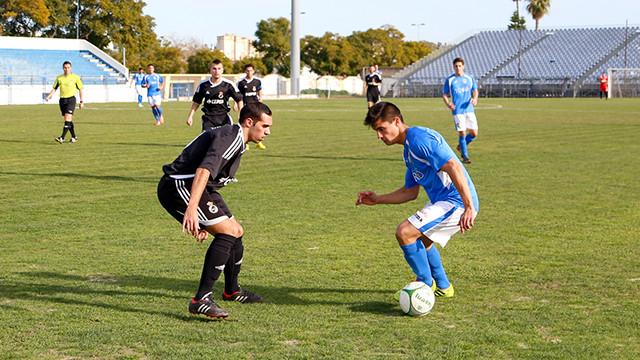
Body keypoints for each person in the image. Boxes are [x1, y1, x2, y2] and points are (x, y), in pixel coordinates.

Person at [157, 102, 273, 319]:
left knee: (236, 231)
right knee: (227, 232)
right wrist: (192, 210)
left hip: (200, 188)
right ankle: (201, 299)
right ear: (249, 122)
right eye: (264, 126)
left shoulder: (238, 139)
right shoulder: (231, 138)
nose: (268, 132)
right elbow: (203, 170)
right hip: (180, 185)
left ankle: (232, 290)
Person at [356, 102, 479, 299]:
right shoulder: (408, 150)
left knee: (405, 232)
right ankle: (443, 286)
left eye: (381, 129)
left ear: (396, 121)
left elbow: (454, 166)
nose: (379, 136)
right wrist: (377, 199)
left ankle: (423, 284)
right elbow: (409, 192)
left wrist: (468, 207)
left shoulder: (419, 139)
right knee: (421, 237)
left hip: (455, 201)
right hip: (445, 201)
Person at [186, 59, 243, 131]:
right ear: (210, 70)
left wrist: (241, 115)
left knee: (226, 141)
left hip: (224, 119)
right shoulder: (203, 85)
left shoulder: (228, 84)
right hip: (208, 119)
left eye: (219, 69)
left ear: (222, 70)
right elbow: (196, 102)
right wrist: (190, 116)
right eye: (214, 69)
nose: (217, 71)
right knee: (208, 140)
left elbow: (239, 99)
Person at [442, 57, 479, 164]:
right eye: (456, 66)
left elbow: (475, 90)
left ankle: (460, 147)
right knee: (462, 133)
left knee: (474, 133)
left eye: (459, 66)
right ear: (453, 67)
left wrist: (475, 98)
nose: (458, 68)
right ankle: (465, 156)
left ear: (463, 66)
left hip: (469, 109)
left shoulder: (469, 78)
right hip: (457, 111)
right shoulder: (450, 80)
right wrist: (448, 103)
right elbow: (444, 94)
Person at [46, 61, 84, 144]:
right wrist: (49, 95)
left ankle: (62, 137)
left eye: (68, 68)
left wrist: (81, 101)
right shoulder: (59, 78)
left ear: (71, 68)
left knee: (67, 118)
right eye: (65, 68)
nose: (67, 69)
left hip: (71, 100)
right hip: (62, 100)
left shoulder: (75, 77)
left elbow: (81, 89)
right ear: (63, 68)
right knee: (68, 120)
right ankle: (74, 137)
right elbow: (55, 88)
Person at [237, 64, 266, 150]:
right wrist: (236, 104)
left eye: (251, 70)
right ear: (245, 71)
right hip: (246, 107)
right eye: (247, 70)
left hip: (256, 107)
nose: (249, 72)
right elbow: (238, 95)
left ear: (253, 71)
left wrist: (261, 100)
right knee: (246, 125)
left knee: (258, 124)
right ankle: (245, 143)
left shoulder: (257, 81)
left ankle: (259, 142)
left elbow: (260, 91)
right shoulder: (241, 83)